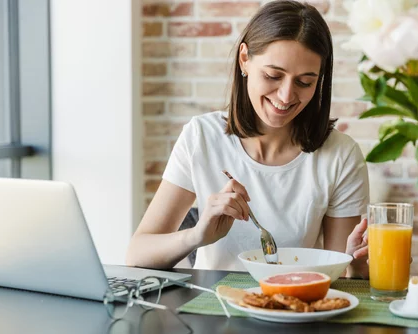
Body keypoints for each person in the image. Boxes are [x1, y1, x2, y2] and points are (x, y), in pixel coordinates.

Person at [126, 0, 369, 278]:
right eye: (273, 75)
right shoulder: (201, 137)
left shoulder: (340, 155)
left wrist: (358, 265)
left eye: (305, 82)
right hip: (210, 312)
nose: (286, 96)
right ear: (244, 59)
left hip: (296, 310)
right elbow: (137, 254)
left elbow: (340, 275)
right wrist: (196, 235)